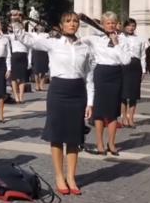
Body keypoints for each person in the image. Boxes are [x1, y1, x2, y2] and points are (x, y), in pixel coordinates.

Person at [13, 12, 94, 195]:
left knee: (75, 137)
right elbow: (26, 39)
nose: (72, 24)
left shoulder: (85, 47)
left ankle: (71, 176)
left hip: (78, 92)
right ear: (61, 24)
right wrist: (17, 22)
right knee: (57, 135)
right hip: (58, 91)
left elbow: (90, 76)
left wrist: (90, 102)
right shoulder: (53, 43)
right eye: (68, 21)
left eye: (75, 21)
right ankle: (59, 176)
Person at [82, 11, 131, 156]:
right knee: (98, 112)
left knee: (113, 112)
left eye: (113, 23)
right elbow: (78, 40)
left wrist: (116, 44)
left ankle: (112, 143)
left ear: (117, 24)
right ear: (103, 24)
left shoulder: (123, 40)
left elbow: (126, 60)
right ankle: (100, 144)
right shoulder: (96, 39)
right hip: (101, 74)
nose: (110, 25)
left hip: (116, 74)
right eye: (107, 23)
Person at [120, 18, 147, 128]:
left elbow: (143, 56)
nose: (131, 28)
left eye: (133, 26)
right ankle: (124, 118)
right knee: (123, 94)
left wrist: (144, 70)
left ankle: (131, 118)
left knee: (133, 95)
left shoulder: (140, 39)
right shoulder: (119, 37)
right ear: (124, 26)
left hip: (135, 66)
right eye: (129, 25)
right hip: (123, 66)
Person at [8, 10, 31, 103]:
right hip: (15, 55)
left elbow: (29, 48)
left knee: (22, 77)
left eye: (21, 27)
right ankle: (16, 96)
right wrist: (14, 15)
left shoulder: (26, 35)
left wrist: (29, 61)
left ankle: (21, 96)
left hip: (23, 55)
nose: (19, 28)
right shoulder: (11, 35)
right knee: (14, 77)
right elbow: (12, 23)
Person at [31, 25, 50, 91]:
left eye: (42, 26)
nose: (41, 27)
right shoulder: (33, 34)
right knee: (36, 70)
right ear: (36, 27)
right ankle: (37, 85)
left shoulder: (46, 35)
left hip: (44, 52)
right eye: (39, 26)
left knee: (43, 70)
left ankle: (41, 85)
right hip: (36, 52)